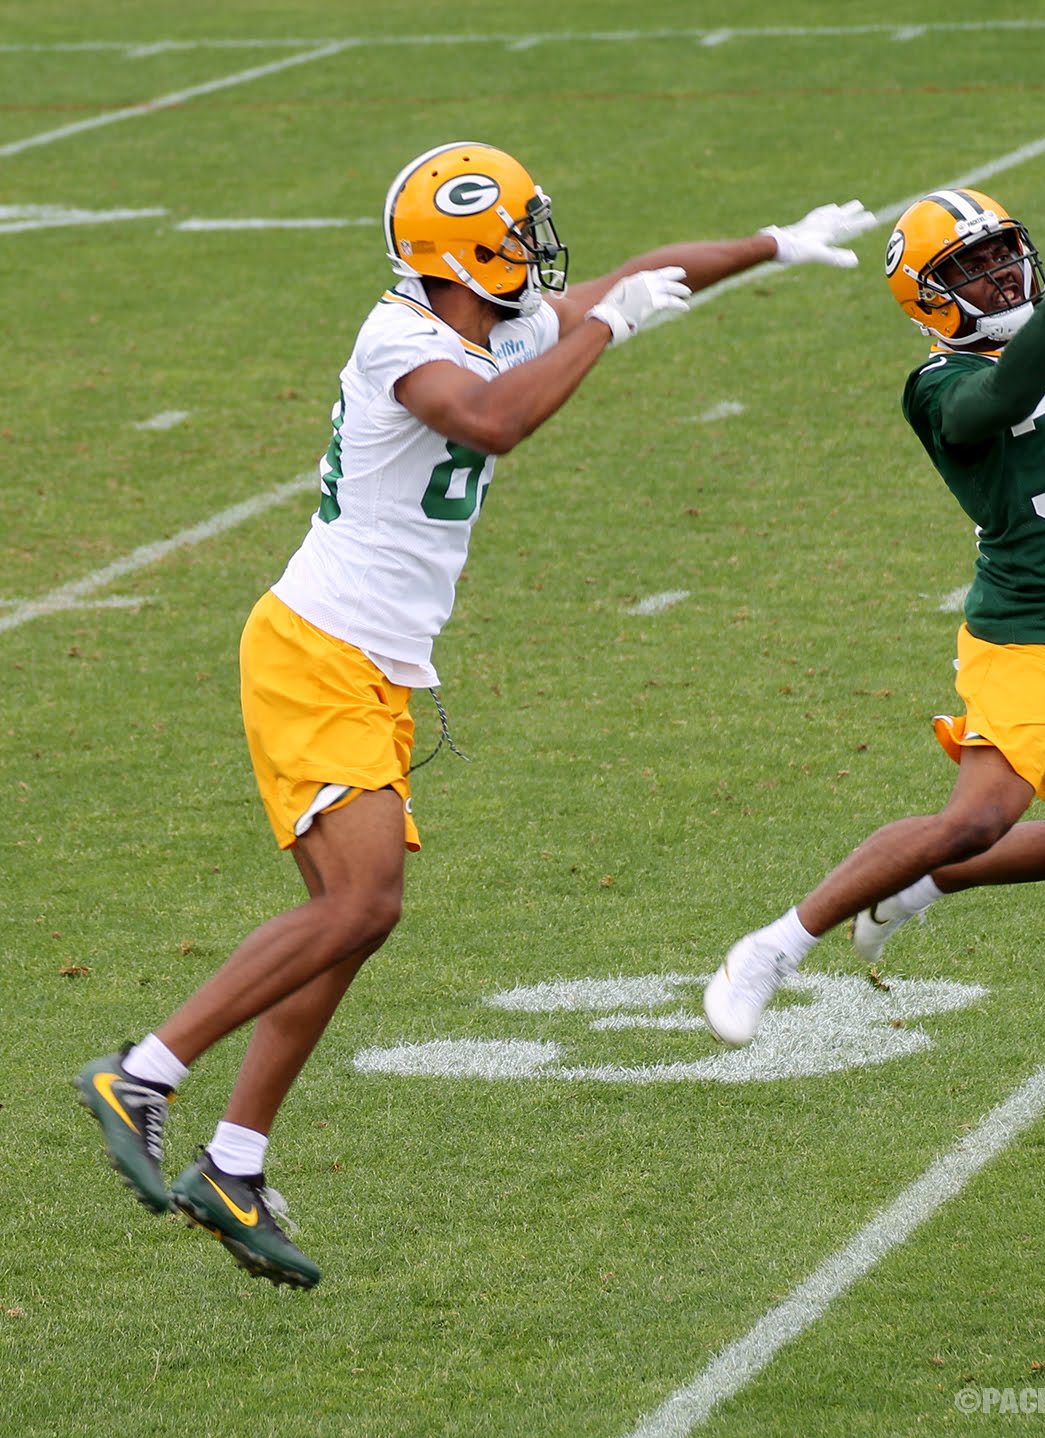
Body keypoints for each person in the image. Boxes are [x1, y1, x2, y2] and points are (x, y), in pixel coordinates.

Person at [75, 139, 876, 1287]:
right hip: (316, 654)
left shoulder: (500, 324)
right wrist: (606, 329)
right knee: (360, 901)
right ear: (458, 253)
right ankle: (144, 1074)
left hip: (371, 666)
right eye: (514, 234)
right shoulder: (400, 338)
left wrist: (774, 244)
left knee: (352, 919)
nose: (536, 250)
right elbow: (492, 421)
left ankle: (233, 1164)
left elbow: (640, 275)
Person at [704, 137, 1045, 1048]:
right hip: (1027, 639)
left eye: (1006, 252)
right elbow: (998, 400)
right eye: (972, 267)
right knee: (980, 817)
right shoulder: (938, 384)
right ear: (929, 298)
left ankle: (923, 885)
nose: (1002, 275)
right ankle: (772, 948)